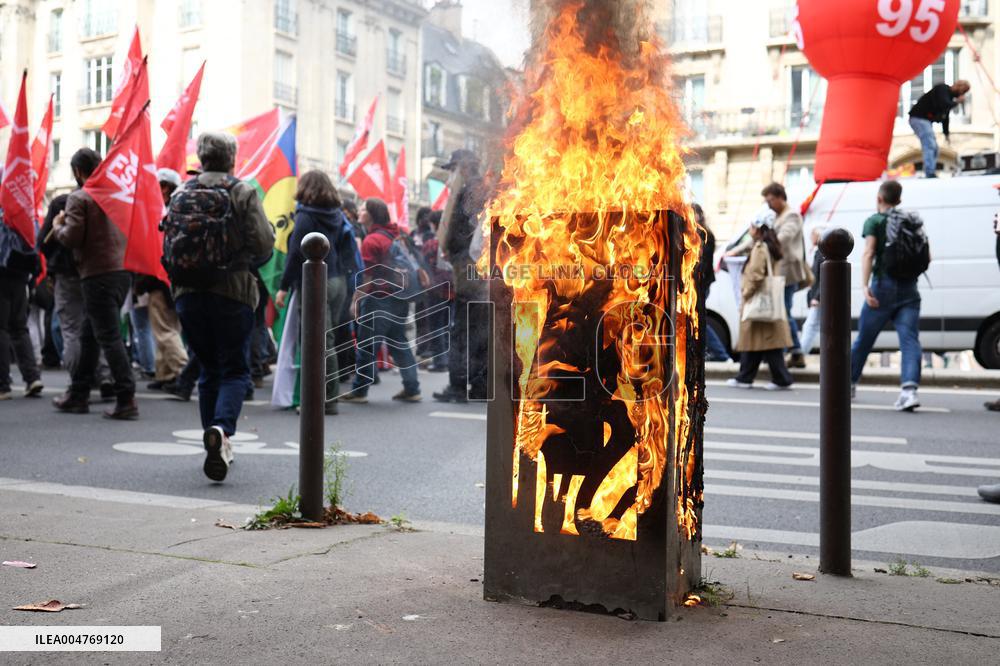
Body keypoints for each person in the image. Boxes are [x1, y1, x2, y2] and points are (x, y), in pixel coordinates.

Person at [168, 132, 275, 482]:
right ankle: (222, 431)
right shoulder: (240, 191)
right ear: (231, 158)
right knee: (234, 369)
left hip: (187, 292)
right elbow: (262, 242)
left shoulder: (182, 192)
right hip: (232, 290)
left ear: (200, 157)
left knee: (208, 370)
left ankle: (212, 439)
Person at [52, 148, 138, 420]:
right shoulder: (115, 196)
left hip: (97, 274)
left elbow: (72, 238)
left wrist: (57, 227)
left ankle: (126, 398)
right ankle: (78, 393)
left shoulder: (80, 198)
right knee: (90, 335)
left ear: (78, 171)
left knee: (109, 336)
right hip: (121, 271)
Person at [274, 170, 358, 415]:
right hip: (338, 281)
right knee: (327, 340)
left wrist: (283, 286)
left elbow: (296, 253)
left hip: (315, 281)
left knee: (315, 342)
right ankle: (328, 396)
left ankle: (323, 400)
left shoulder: (306, 216)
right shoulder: (338, 215)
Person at [850, 180, 927, 411]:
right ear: (899, 200)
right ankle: (908, 391)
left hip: (882, 288)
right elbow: (928, 257)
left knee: (864, 338)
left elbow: (868, 253)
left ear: (879, 198)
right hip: (910, 289)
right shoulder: (911, 222)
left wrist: (865, 286)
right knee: (910, 340)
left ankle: (849, 384)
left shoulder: (874, 221)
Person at [39, 169, 114, 404]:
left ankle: (77, 383)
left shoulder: (64, 202)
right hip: (97, 273)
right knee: (96, 328)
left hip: (69, 274)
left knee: (71, 329)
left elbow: (45, 241)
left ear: (77, 173)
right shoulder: (108, 202)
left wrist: (57, 228)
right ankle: (105, 378)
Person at [341, 198, 422, 404]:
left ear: (371, 214)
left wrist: (355, 299)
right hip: (399, 298)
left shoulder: (371, 241)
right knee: (400, 342)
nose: (359, 211)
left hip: (379, 299)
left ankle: (359, 391)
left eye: (363, 209)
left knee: (367, 345)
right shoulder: (397, 235)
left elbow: (367, 276)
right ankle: (412, 388)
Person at [433, 149, 489, 403]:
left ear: (463, 168)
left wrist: (450, 251)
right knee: (479, 327)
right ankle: (479, 385)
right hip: (478, 271)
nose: (450, 176)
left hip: (469, 269)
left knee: (463, 328)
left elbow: (459, 234)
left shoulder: (468, 191)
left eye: (452, 170)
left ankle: (458, 385)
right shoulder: (483, 188)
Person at [726, 214, 794, 390]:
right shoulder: (770, 246)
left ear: (757, 228)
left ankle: (760, 378)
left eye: (750, 226)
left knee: (759, 340)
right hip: (767, 302)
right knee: (762, 342)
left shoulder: (760, 248)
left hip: (757, 300)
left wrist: (746, 294)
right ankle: (749, 377)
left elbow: (756, 275)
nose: (749, 230)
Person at [139, 169, 189, 391]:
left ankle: (182, 371)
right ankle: (165, 373)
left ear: (164, 187)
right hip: (172, 279)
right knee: (165, 327)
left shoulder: (163, 213)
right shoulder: (177, 210)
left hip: (161, 279)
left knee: (164, 329)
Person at [761, 182, 809, 369]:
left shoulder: (792, 216)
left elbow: (781, 239)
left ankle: (794, 350)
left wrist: (764, 243)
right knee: (782, 310)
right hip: (781, 271)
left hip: (787, 271)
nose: (769, 204)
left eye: (771, 200)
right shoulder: (779, 216)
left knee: (783, 310)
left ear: (780, 197)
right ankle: (790, 351)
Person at [0, 213, 43, 400]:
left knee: (1, 328)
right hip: (20, 273)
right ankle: (32, 377)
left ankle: (3, 385)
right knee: (19, 326)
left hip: (2, 271)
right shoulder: (22, 212)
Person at [909, 80, 970, 178]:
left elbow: (945, 118)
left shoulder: (949, 98)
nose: (961, 95)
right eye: (962, 92)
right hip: (919, 118)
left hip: (924, 120)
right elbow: (944, 104)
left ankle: (930, 170)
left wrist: (946, 133)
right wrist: (957, 102)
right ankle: (929, 172)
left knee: (935, 148)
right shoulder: (943, 89)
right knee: (930, 145)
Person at [693, 204, 729, 362]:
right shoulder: (694, 233)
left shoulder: (705, 235)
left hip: (701, 283)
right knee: (697, 318)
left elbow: (702, 263)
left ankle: (721, 354)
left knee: (699, 318)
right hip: (698, 283)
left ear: (699, 215)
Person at [798, 226, 827, 356]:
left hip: (820, 297)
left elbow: (824, 278)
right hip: (819, 296)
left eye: (812, 234)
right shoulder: (819, 252)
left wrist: (817, 297)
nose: (810, 237)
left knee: (810, 325)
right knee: (813, 325)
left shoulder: (822, 253)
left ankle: (801, 353)